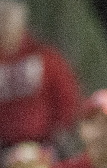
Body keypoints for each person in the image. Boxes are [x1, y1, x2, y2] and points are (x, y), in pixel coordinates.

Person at [0, 0, 80, 156]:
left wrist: (59, 129)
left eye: (8, 20)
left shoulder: (45, 57)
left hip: (44, 144)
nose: (4, 26)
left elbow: (67, 95)